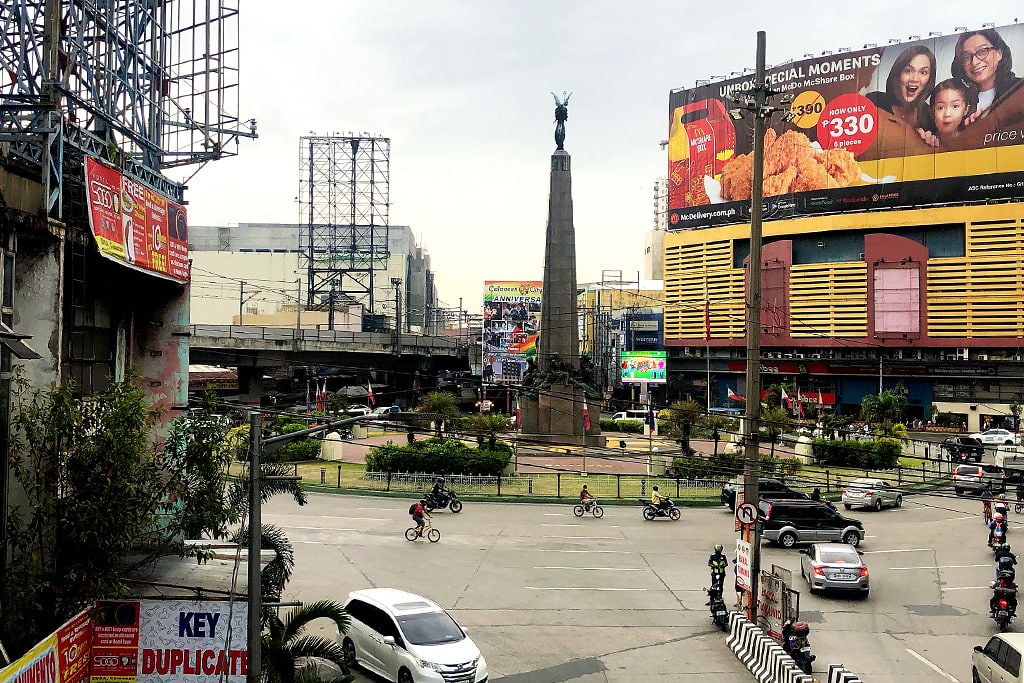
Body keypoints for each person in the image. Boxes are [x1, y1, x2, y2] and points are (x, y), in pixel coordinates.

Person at [951, 28, 1023, 124]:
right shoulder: (956, 98)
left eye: (982, 51)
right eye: (967, 57)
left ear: (999, 53)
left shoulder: (1019, 89)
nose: (974, 62)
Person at [867, 45, 936, 130]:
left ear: (930, 79)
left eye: (923, 72)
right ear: (898, 74)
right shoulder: (874, 102)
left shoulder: (930, 117)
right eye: (908, 71)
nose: (915, 79)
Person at [917, 79, 979, 148]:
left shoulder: (972, 142)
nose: (947, 114)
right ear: (932, 111)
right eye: (941, 107)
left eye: (955, 106)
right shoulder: (926, 139)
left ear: (965, 110)